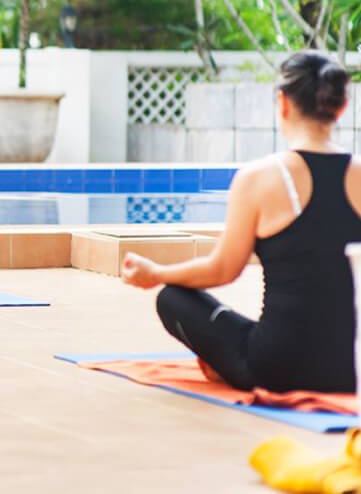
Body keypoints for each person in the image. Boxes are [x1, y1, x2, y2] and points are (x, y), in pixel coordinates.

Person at [122, 50, 360, 393]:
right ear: (341, 107)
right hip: (352, 369)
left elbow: (222, 269)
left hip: (276, 368)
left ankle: (227, 367)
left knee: (172, 298)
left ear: (283, 104)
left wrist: (156, 274)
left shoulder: (259, 178)